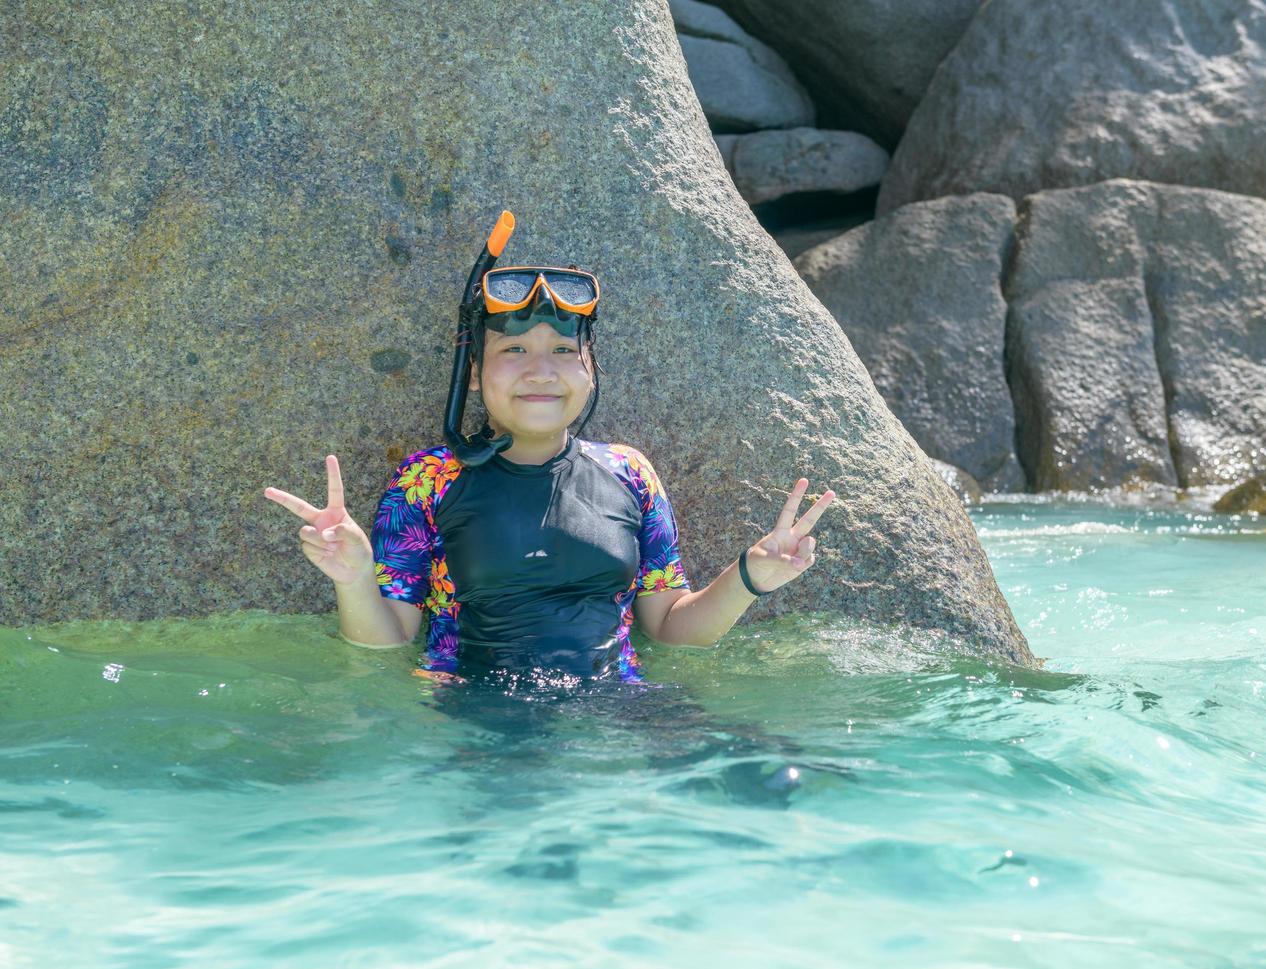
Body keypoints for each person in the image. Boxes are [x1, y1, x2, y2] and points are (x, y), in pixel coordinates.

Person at [264, 215, 837, 685]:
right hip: (475, 708)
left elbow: (669, 627)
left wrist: (751, 576)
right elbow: (387, 642)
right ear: (473, 374)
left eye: (564, 350)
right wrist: (354, 576)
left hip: (616, 703)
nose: (541, 371)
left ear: (591, 371)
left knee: (763, 777)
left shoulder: (629, 473)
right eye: (513, 349)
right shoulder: (428, 480)